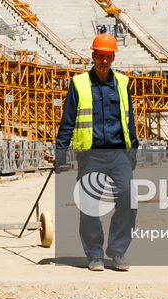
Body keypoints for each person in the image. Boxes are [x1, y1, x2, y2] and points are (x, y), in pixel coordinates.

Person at [54, 32, 139, 272]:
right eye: (100, 56)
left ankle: (118, 250)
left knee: (128, 199)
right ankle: (94, 254)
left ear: (113, 58)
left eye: (108, 57)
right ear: (93, 56)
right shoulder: (79, 83)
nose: (104, 61)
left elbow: (129, 117)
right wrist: (61, 149)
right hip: (90, 155)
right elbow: (68, 119)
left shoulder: (122, 83)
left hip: (118, 153)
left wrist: (133, 147)